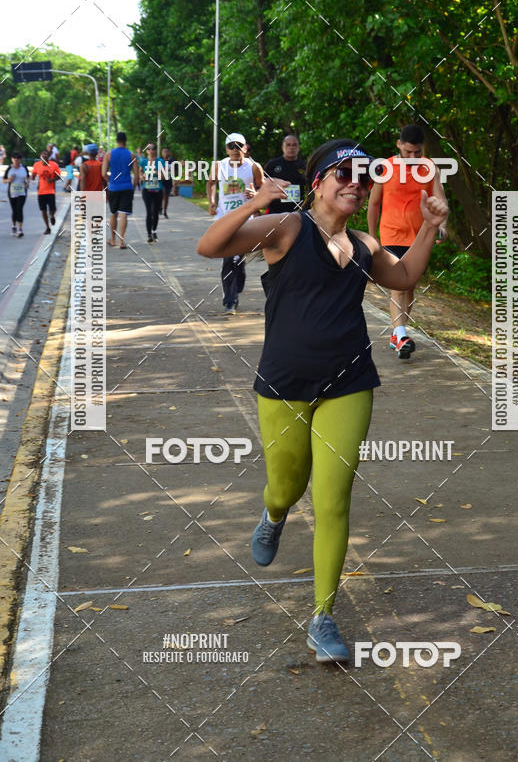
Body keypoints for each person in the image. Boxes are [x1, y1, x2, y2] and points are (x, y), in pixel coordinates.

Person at [197, 137, 448, 662]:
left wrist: (427, 226)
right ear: (318, 183)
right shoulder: (286, 228)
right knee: (285, 486)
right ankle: (273, 514)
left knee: (334, 500)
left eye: (365, 176)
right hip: (285, 383)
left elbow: (404, 277)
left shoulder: (364, 245)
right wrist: (258, 198)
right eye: (344, 174)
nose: (356, 183)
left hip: (349, 381)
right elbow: (211, 246)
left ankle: (322, 617)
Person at [368, 124, 448, 359]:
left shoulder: (429, 168)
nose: (413, 158)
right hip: (391, 235)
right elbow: (373, 204)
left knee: (409, 286)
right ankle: (402, 334)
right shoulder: (385, 168)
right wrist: (373, 238)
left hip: (419, 238)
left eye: (417, 152)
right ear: (399, 145)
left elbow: (440, 200)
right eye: (408, 152)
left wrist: (442, 228)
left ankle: (398, 333)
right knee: (399, 286)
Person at [207, 133, 263, 313]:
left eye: (238, 146)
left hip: (246, 220)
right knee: (228, 258)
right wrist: (211, 201)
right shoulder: (219, 166)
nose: (235, 150)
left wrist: (256, 196)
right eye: (231, 146)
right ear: (226, 149)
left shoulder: (253, 167)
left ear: (245, 148)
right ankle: (229, 300)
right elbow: (211, 183)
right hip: (224, 218)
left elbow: (263, 188)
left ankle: (236, 290)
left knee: (239, 260)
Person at [102, 132, 138, 249]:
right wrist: (133, 187)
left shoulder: (108, 155)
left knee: (113, 214)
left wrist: (111, 181)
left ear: (116, 141)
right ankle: (121, 242)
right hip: (126, 187)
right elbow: (136, 175)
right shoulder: (131, 155)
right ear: (125, 141)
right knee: (124, 214)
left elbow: (103, 173)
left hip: (113, 187)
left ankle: (112, 240)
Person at [263, 134, 306, 214]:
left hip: (297, 211)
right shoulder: (273, 164)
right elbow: (263, 183)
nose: (291, 148)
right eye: (288, 145)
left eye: (294, 145)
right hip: (275, 210)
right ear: (283, 147)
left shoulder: (304, 166)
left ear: (298, 148)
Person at [31, 149, 61, 234]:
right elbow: (33, 174)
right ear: (40, 156)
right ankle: (47, 227)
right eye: (42, 155)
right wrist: (32, 177)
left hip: (51, 191)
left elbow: (58, 176)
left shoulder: (53, 165)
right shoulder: (37, 165)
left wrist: (52, 179)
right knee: (43, 210)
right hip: (41, 192)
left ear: (48, 156)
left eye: (45, 155)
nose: (44, 156)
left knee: (52, 209)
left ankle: (52, 216)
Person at [139, 143, 164, 243]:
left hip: (158, 190)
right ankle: (149, 234)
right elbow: (140, 173)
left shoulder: (160, 161)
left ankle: (154, 231)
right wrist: (142, 176)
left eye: (153, 149)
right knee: (149, 212)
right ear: (146, 151)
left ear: (156, 150)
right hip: (147, 190)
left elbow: (163, 176)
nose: (151, 151)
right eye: (149, 149)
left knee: (155, 213)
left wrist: (155, 171)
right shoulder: (143, 161)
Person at [6, 152, 29, 237]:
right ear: (12, 159)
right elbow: (4, 180)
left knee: (20, 208)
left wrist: (27, 183)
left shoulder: (24, 168)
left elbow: (28, 177)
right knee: (14, 210)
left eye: (18, 158)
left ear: (20, 159)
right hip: (12, 192)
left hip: (22, 192)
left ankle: (20, 229)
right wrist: (9, 180)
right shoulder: (9, 168)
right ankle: (13, 226)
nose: (16, 160)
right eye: (14, 158)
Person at [161, 146, 174, 215]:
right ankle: (160, 207)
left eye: (166, 151)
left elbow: (173, 170)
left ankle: (165, 210)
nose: (165, 153)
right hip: (161, 181)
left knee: (166, 197)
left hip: (168, 181)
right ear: (162, 153)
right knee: (162, 195)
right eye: (164, 151)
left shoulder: (171, 161)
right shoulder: (159, 160)